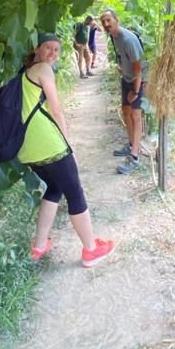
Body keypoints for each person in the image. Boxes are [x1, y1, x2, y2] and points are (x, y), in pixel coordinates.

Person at [17, 32, 115, 267]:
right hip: (47, 143)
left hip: (27, 147)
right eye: (48, 48)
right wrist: (67, 144)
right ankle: (91, 250)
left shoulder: (25, 73)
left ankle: (39, 246)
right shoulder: (43, 69)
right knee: (75, 192)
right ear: (37, 48)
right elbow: (56, 109)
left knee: (55, 187)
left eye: (57, 50)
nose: (52, 53)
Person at [99, 10, 146, 175]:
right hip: (126, 78)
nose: (106, 24)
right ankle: (132, 144)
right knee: (126, 111)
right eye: (103, 21)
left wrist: (135, 90)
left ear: (116, 20)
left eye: (108, 20)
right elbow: (122, 56)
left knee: (135, 115)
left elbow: (139, 68)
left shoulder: (128, 40)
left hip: (138, 80)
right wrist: (121, 66)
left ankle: (135, 157)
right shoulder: (114, 36)